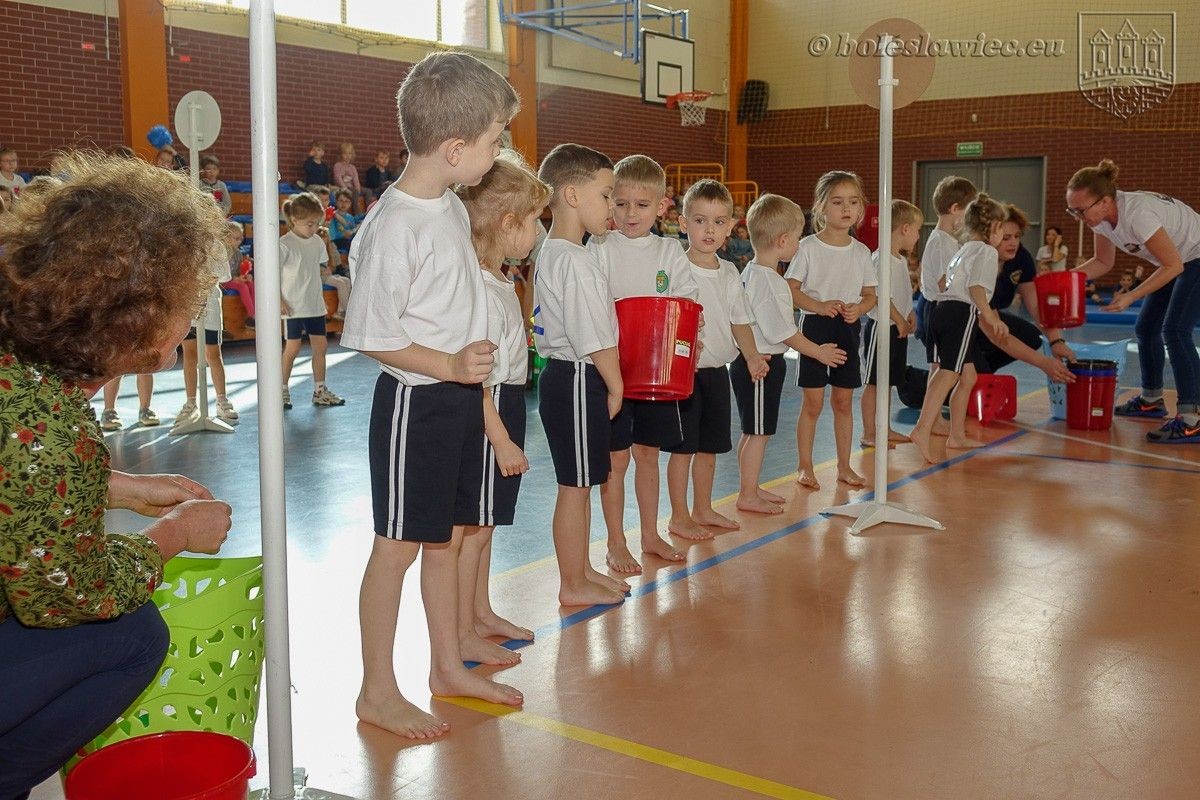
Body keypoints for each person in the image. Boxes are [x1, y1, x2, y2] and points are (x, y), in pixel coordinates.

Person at [0, 150, 233, 798]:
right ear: (136, 318)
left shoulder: (21, 369)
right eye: (183, 303)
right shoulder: (55, 433)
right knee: (131, 635)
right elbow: (67, 593)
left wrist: (121, 487)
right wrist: (178, 535)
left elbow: (15, 482)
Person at [342, 51, 523, 741]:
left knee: (443, 542)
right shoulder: (394, 227)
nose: (498, 150)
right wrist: (449, 362)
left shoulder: (447, 203)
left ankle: (446, 666)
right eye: (494, 139)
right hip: (416, 406)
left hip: (454, 399)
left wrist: (464, 365)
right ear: (455, 148)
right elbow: (370, 334)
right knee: (398, 547)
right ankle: (376, 690)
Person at [455, 152, 550, 661]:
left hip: (506, 401)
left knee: (485, 524)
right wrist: (500, 437)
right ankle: (463, 627)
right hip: (486, 412)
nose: (538, 230)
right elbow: (477, 382)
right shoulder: (480, 292)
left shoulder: (501, 280)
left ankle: (479, 610)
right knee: (471, 528)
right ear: (507, 224)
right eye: (534, 220)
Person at [591, 154, 700, 575]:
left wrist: (691, 321)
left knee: (648, 456)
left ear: (661, 206)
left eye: (640, 205)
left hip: (655, 373)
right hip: (613, 370)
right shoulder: (599, 247)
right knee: (616, 460)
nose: (629, 214)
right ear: (609, 204)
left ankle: (650, 533)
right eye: (620, 204)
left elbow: (686, 301)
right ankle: (615, 542)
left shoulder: (669, 250)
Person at [533, 144, 627, 606]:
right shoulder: (571, 258)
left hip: (570, 378)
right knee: (574, 487)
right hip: (576, 377)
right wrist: (616, 382)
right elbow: (593, 335)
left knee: (583, 482)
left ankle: (582, 569)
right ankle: (572, 583)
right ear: (572, 194)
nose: (613, 207)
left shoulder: (564, 251)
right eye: (607, 195)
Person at [664, 179, 768, 538]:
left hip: (716, 373)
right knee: (683, 449)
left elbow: (739, 320)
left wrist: (752, 356)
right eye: (700, 220)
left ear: (731, 227)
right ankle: (679, 516)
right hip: (684, 375)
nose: (709, 230)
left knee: (709, 447)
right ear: (683, 223)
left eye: (719, 222)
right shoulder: (675, 267)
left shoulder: (729, 272)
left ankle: (703, 508)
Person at [1069, 159, 1200, 443]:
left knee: (1176, 331)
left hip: (1194, 258)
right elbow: (1103, 262)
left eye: (1081, 210)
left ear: (1104, 201)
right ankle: (1151, 400)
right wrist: (1066, 279)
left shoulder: (1137, 214)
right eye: (1073, 211)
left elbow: (1174, 266)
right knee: (1146, 329)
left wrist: (1131, 295)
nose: (1078, 217)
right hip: (1176, 260)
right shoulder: (1102, 220)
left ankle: (1193, 418)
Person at [735, 194, 846, 512]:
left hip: (758, 362)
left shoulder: (756, 273)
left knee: (755, 431)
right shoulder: (770, 281)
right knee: (758, 433)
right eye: (797, 238)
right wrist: (817, 352)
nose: (799, 243)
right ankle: (747, 495)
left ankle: (750, 486)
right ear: (783, 240)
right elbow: (782, 332)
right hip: (761, 365)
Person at [785, 170, 878, 490]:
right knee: (812, 403)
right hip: (815, 327)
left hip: (848, 328)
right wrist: (818, 305)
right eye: (837, 202)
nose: (846, 208)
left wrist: (860, 308)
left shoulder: (862, 251)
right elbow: (791, 289)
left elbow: (870, 295)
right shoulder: (808, 247)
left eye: (853, 201)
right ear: (822, 207)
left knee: (842, 401)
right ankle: (805, 465)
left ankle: (844, 465)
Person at [910, 194, 1009, 462]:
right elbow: (976, 287)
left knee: (967, 377)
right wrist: (989, 316)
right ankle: (922, 428)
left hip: (941, 311)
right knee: (949, 374)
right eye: (1003, 230)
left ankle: (957, 435)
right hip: (960, 312)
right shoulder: (986, 251)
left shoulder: (964, 248)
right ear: (993, 228)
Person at [973, 204, 1076, 377]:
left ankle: (982, 370)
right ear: (989, 237)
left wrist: (1056, 341)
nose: (1013, 242)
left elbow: (1036, 306)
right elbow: (992, 332)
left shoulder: (1021, 257)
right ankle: (913, 384)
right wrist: (1044, 363)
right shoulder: (980, 263)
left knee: (1031, 336)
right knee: (963, 385)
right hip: (957, 322)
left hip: (986, 319)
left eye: (1017, 236)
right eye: (1006, 238)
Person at [861, 200, 922, 448]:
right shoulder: (880, 258)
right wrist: (899, 319)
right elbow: (881, 295)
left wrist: (909, 314)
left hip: (896, 327)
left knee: (887, 382)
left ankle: (883, 428)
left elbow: (901, 293)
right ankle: (869, 432)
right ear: (905, 229)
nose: (918, 236)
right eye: (917, 230)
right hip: (882, 329)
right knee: (875, 382)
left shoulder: (899, 260)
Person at [278, 193, 345, 408]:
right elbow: (273, 274)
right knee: (293, 348)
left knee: (321, 346)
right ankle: (281, 389)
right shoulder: (284, 243)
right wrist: (280, 300)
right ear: (294, 220)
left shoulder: (317, 241)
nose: (314, 227)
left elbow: (323, 268)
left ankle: (320, 390)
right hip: (294, 306)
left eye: (317, 223)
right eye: (310, 223)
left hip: (314, 305)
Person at [917, 176, 976, 395]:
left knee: (948, 369)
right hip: (940, 308)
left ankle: (934, 415)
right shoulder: (942, 242)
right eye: (968, 212)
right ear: (955, 208)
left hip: (945, 308)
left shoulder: (950, 241)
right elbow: (945, 283)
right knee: (940, 367)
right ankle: (930, 418)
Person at [177, 242, 238, 424]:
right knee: (190, 354)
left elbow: (224, 275)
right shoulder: (184, 241)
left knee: (213, 354)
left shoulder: (216, 246)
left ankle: (222, 400)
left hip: (210, 307)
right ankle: (191, 403)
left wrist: (205, 280)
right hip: (188, 306)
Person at [333, 143, 367, 213]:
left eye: (350, 154)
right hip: (342, 187)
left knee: (368, 191)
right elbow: (338, 178)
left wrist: (358, 188)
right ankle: (357, 213)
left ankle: (368, 211)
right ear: (341, 154)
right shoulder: (337, 165)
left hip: (352, 187)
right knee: (354, 192)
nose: (348, 156)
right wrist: (345, 188)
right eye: (345, 154)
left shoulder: (352, 167)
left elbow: (355, 179)